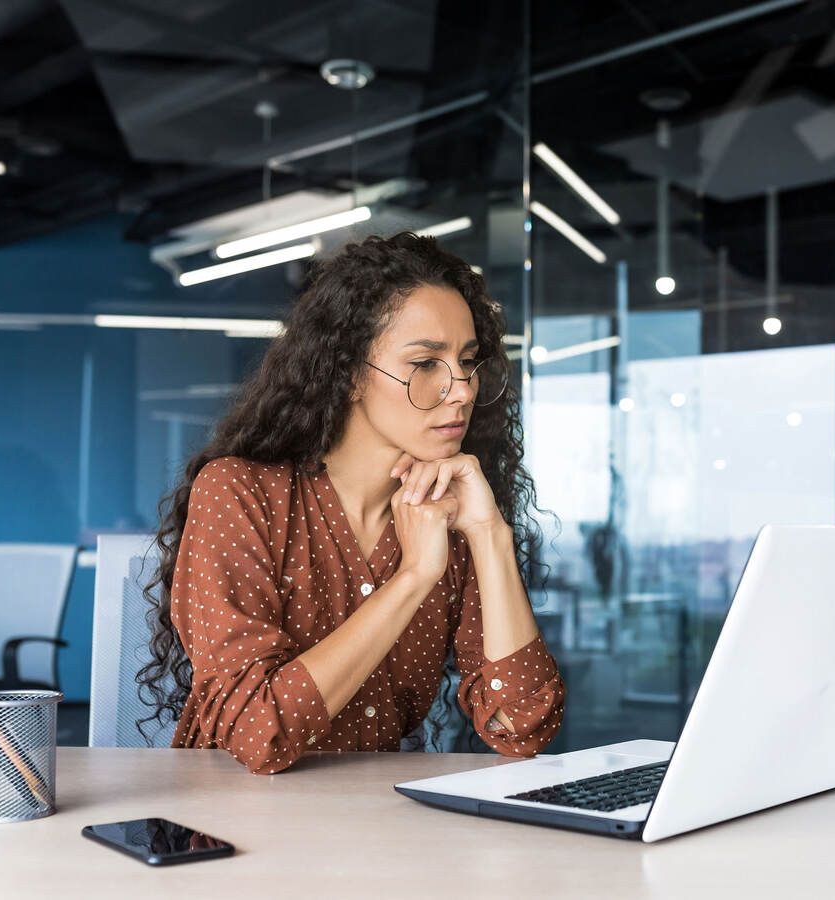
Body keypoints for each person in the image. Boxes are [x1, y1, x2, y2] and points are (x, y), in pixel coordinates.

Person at [137, 232, 564, 775]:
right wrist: (412, 578)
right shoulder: (239, 493)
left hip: (379, 825)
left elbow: (522, 728)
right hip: (232, 827)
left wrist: (490, 536)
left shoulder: (452, 517)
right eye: (426, 363)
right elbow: (255, 732)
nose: (460, 389)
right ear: (351, 375)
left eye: (467, 361)